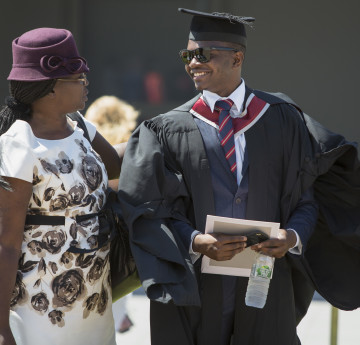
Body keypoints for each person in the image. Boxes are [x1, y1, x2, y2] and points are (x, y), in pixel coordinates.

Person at [117, 7, 360, 345]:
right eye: (188, 54)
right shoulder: (167, 129)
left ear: (237, 58)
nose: (192, 63)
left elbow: (305, 196)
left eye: (203, 54)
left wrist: (293, 237)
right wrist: (194, 241)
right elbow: (148, 207)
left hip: (266, 279)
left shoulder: (282, 119)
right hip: (199, 286)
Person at [0, 28, 121, 345]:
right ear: (50, 89)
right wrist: (0, 325)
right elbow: (7, 243)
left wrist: (165, 136)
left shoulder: (80, 125)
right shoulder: (19, 144)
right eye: (79, 78)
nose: (86, 83)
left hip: (94, 299)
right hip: (40, 308)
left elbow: (121, 165)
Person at [85, 95, 139, 332]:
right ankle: (120, 316)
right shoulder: (130, 143)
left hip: (92, 226)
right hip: (122, 227)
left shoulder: (86, 143)